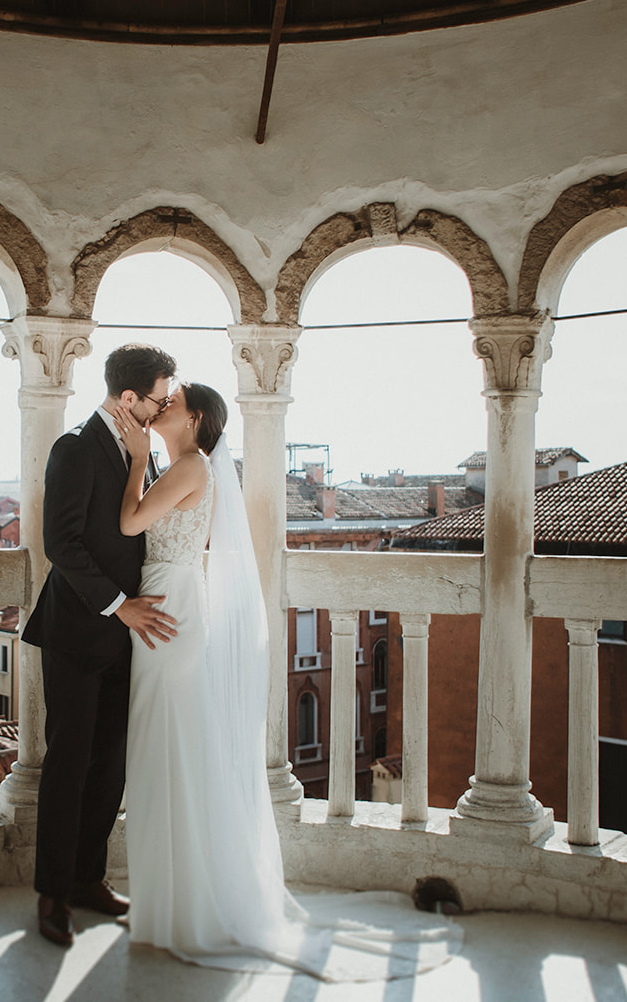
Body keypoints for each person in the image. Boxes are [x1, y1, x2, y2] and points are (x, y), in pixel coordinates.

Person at [112, 381, 463, 981]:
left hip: (170, 613)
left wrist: (138, 458)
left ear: (194, 419)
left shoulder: (188, 465)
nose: (160, 407)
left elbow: (129, 523)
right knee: (166, 752)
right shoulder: (189, 465)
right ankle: (171, 901)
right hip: (170, 605)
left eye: (172, 404)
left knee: (165, 750)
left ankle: (185, 905)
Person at [21, 343, 179, 948]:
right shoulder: (74, 448)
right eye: (157, 400)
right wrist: (120, 605)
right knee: (67, 765)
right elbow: (61, 544)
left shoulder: (141, 450)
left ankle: (89, 878)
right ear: (129, 397)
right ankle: (53, 893)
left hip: (127, 641)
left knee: (108, 764)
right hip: (78, 631)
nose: (162, 409)